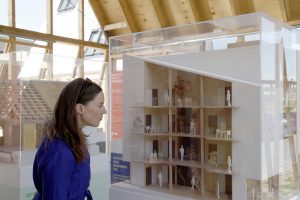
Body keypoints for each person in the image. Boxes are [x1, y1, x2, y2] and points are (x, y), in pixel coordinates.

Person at [33, 78, 107, 200]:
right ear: (80, 108)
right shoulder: (58, 151)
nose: (105, 111)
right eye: (100, 105)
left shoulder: (73, 139)